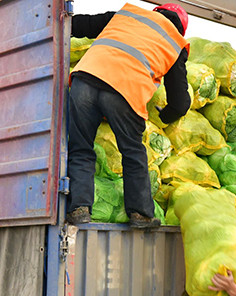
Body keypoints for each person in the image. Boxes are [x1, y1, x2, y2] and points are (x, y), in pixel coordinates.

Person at [67, 3, 191, 228]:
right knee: (132, 151)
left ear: (156, 12)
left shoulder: (129, 15)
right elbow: (180, 102)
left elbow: (80, 25)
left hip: (84, 79)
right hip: (124, 89)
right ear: (181, 29)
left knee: (81, 148)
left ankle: (79, 208)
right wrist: (165, 116)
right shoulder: (175, 41)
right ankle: (141, 213)